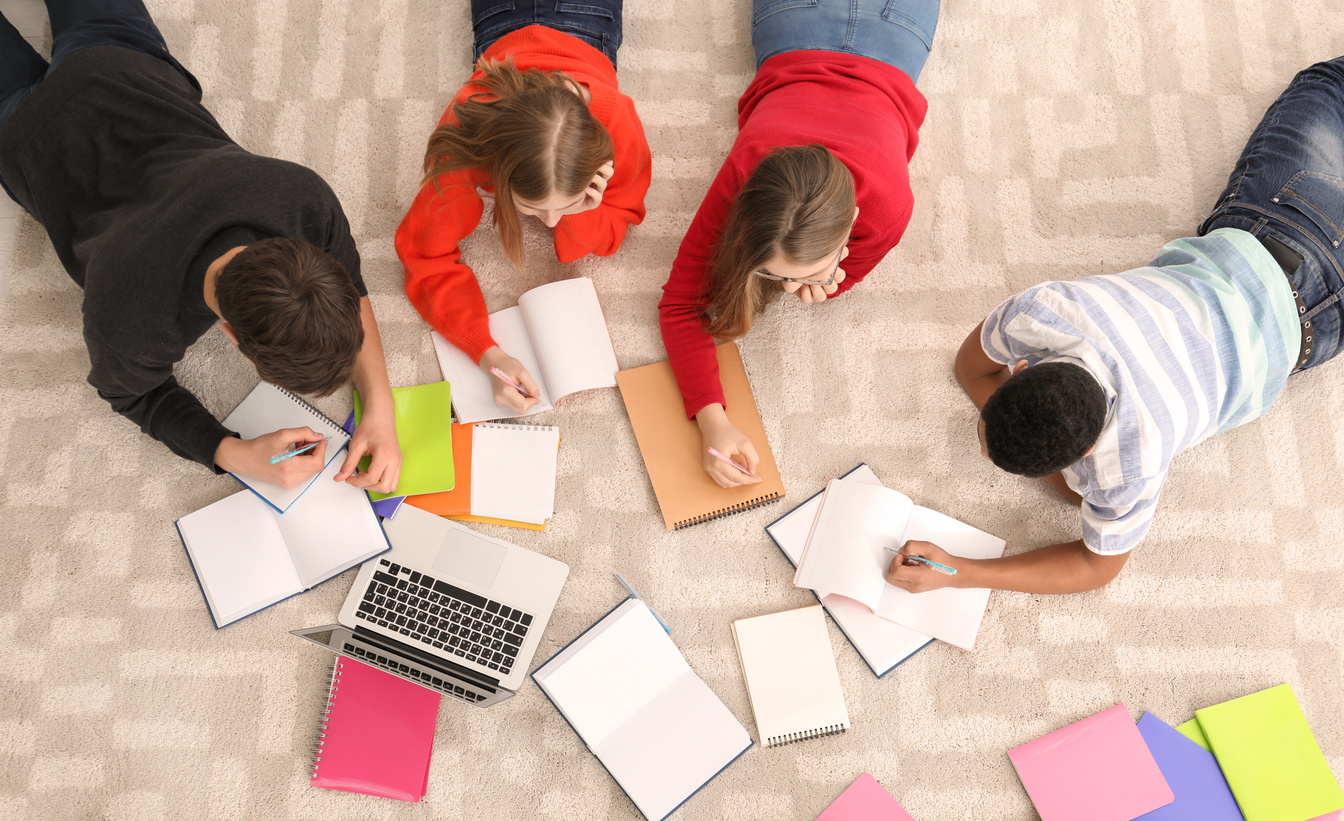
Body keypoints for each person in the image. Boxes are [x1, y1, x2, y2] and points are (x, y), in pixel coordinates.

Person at [887, 56, 1344, 596]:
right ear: (1028, 363)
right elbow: (973, 366)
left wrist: (960, 573)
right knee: (1329, 84)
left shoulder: (1131, 464)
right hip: (1279, 219)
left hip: (1316, 327)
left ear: (1084, 456)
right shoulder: (1046, 313)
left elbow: (1095, 568)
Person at [0, 0, 402, 493]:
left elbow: (351, 283)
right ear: (230, 336)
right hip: (25, 137)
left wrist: (380, 409)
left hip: (116, 61)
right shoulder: (129, 315)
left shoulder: (302, 197)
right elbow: (130, 395)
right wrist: (231, 453)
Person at [659, 0, 938, 488]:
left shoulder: (889, 207)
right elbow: (680, 303)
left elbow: (842, 280)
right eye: (773, 272)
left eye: (798, 275)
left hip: (825, 27)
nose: (789, 289)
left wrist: (833, 281)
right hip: (867, 28)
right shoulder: (747, 174)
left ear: (852, 222)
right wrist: (713, 420)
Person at [396, 0, 651, 414]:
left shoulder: (617, 119)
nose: (551, 222)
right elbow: (422, 254)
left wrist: (584, 211)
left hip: (582, 20)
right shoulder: (466, 147)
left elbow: (622, 221)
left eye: (563, 206)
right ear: (494, 173)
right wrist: (487, 352)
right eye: (531, 207)